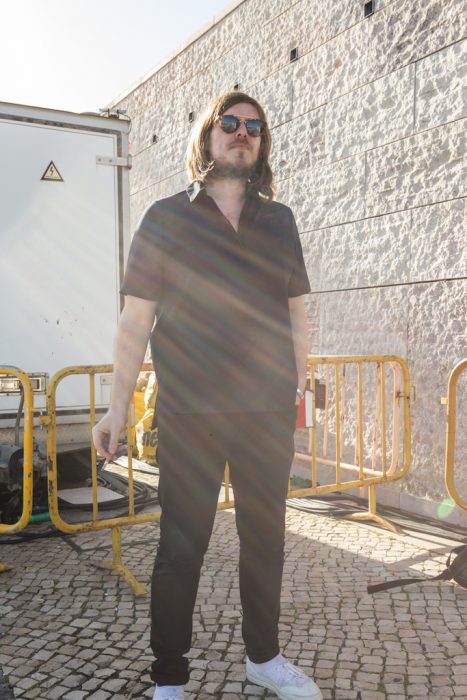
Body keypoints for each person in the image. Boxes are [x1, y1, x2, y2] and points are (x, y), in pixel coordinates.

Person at [92, 91, 323, 700]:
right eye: (230, 123)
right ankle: (169, 677)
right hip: (190, 413)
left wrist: (297, 391)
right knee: (180, 548)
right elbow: (135, 320)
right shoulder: (166, 218)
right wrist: (116, 407)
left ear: (262, 144)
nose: (242, 132)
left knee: (265, 541)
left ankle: (263, 658)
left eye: (254, 127)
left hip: (265, 412)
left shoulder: (280, 221)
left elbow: (296, 315)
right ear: (208, 135)